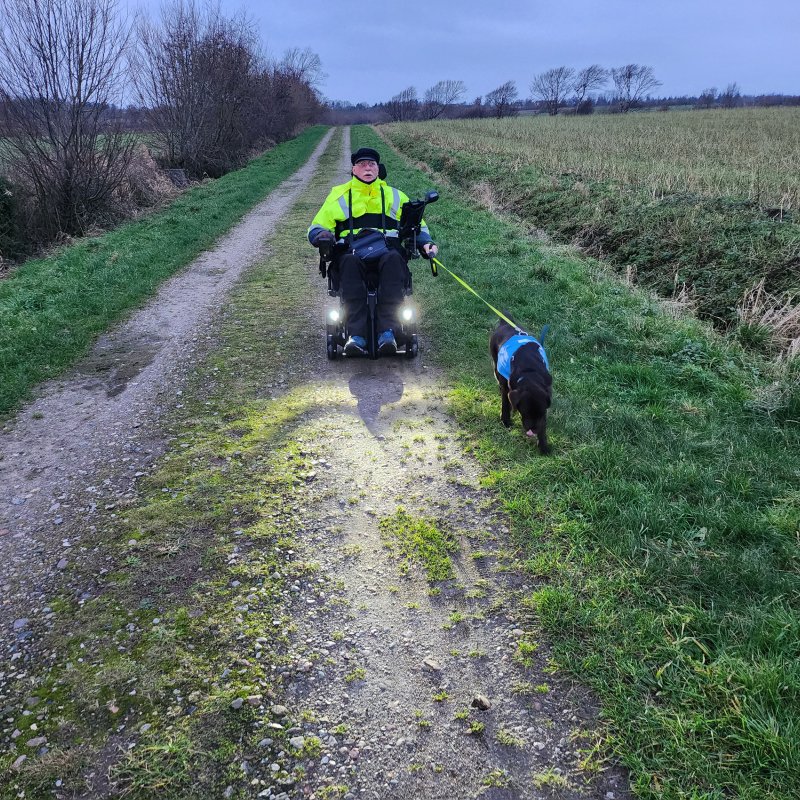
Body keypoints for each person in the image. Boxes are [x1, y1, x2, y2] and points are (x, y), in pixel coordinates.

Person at [308, 147, 438, 356]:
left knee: (394, 259)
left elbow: (417, 226)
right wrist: (321, 236)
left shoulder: (395, 196)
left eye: (372, 164)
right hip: (351, 253)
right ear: (354, 169)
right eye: (362, 164)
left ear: (378, 169)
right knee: (349, 263)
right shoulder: (339, 195)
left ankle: (387, 333)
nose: (367, 168)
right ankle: (356, 335)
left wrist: (426, 243)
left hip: (387, 253)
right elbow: (316, 227)